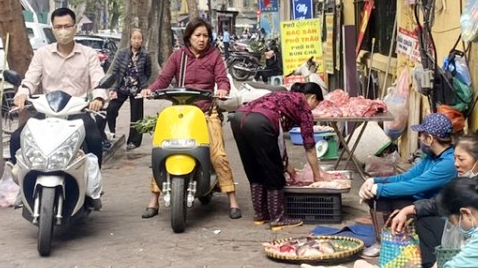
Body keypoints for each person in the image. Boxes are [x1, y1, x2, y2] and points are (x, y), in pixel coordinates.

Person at [141, 18, 241, 219]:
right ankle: (153, 200)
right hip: (181, 113)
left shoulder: (214, 56)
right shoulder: (178, 56)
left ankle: (232, 200)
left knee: (218, 154)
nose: (202, 39)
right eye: (198, 35)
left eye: (205, 36)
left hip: (207, 112)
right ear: (189, 37)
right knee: (162, 149)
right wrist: (149, 90)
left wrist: (222, 89)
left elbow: (222, 79)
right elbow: (163, 80)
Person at [11, 7, 107, 205]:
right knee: (16, 138)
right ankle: (22, 184)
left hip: (77, 112)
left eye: (67, 26)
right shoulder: (42, 54)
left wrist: (98, 97)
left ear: (75, 28)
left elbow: (98, 79)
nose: (63, 30)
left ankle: (92, 188)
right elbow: (30, 79)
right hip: (47, 113)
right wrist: (22, 94)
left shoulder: (88, 54)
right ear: (53, 29)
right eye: (59, 27)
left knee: (95, 138)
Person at [388, 130, 478, 262]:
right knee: (425, 220)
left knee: (432, 222)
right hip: (474, 235)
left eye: (461, 159)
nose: (456, 164)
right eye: (455, 158)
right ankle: (433, 267)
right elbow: (446, 201)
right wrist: (410, 209)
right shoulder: (471, 175)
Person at [357, 112, 457, 263]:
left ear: (430, 139)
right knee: (380, 193)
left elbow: (414, 186)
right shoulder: (431, 157)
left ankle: (386, 241)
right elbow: (405, 177)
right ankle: (384, 239)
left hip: (435, 209)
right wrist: (374, 181)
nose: (420, 139)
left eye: (422, 136)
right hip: (422, 201)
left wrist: (378, 189)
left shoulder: (448, 163)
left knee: (382, 194)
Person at [231, 83, 326, 227]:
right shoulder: (303, 106)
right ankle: (277, 218)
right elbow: (310, 146)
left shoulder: (282, 95)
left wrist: (286, 163)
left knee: (254, 167)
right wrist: (317, 176)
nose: (314, 108)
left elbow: (278, 138)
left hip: (238, 118)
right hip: (260, 122)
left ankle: (260, 215)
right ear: (312, 97)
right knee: (273, 172)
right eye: (316, 104)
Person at [104, 29, 151, 151]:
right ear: (130, 39)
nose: (136, 41)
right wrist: (114, 88)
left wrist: (143, 87)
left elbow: (147, 72)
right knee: (111, 108)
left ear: (142, 40)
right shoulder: (122, 53)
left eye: (139, 38)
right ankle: (112, 130)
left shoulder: (145, 55)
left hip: (137, 89)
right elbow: (116, 72)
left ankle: (134, 141)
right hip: (122, 86)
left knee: (137, 116)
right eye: (134, 38)